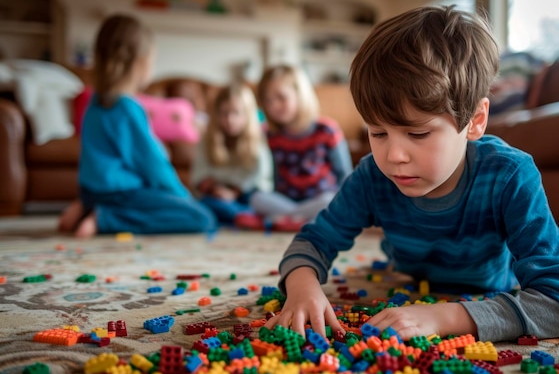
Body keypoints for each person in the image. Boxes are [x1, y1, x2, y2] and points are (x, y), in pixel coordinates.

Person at [265, 6, 559, 343]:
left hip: (486, 288)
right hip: (403, 278)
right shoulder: (373, 176)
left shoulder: (510, 176)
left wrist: (447, 317)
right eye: (378, 133)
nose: (394, 156)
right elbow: (315, 240)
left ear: (475, 121)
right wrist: (302, 287)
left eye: (417, 134)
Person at [57, 14, 216, 237]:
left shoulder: (94, 102)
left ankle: (85, 207)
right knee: (201, 217)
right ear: (138, 62)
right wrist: (181, 196)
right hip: (121, 192)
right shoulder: (127, 108)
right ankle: (104, 219)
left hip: (91, 190)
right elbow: (152, 164)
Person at [243, 65, 353, 231]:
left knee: (331, 200)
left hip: (320, 199)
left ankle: (287, 220)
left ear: (300, 94)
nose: (273, 106)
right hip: (286, 200)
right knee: (257, 198)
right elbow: (270, 177)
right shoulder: (270, 134)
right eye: (268, 100)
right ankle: (302, 220)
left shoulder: (327, 129)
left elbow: (345, 174)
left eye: (280, 97)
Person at [191, 83, 273, 225]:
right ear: (216, 114)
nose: (230, 119)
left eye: (236, 113)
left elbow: (258, 178)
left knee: (259, 200)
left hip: (247, 195)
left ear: (247, 114)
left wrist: (234, 192)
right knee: (203, 204)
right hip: (217, 195)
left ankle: (240, 216)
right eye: (224, 113)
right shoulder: (207, 142)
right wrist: (216, 189)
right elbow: (199, 175)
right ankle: (242, 217)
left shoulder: (257, 141)